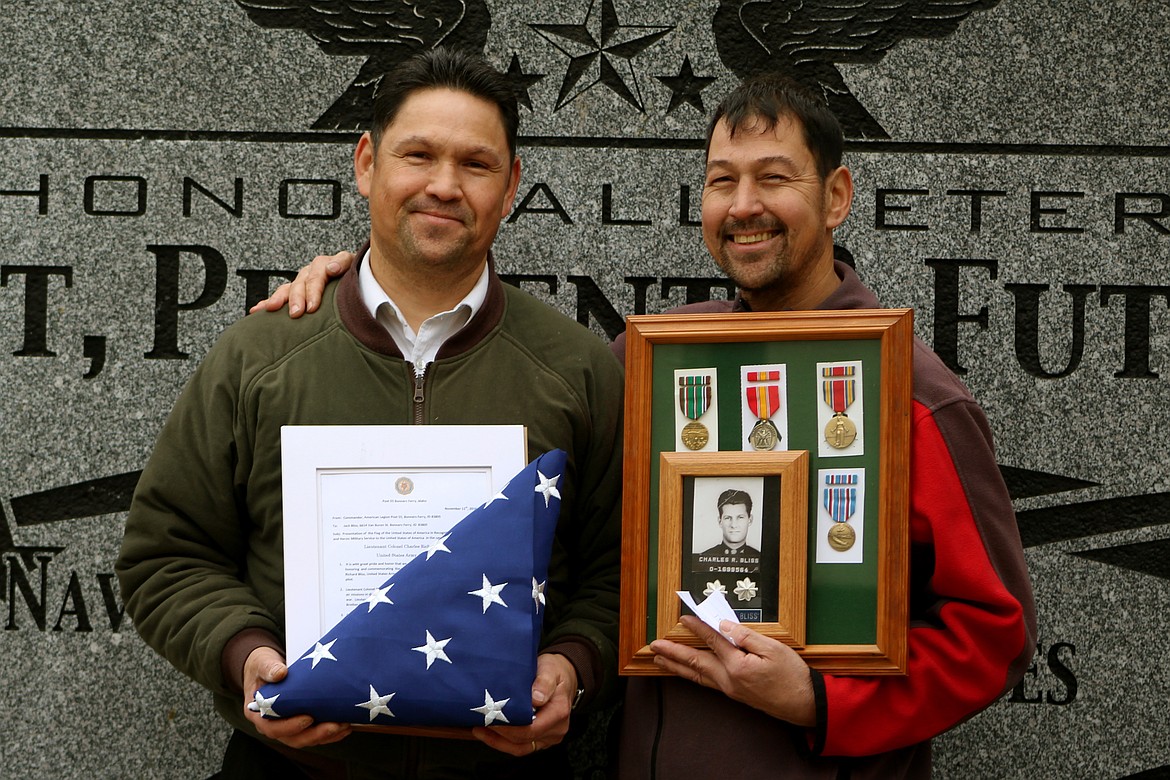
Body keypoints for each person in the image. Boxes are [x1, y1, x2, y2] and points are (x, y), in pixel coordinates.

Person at [258, 73, 1036, 778]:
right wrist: (357, 282)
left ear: (836, 197)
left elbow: (993, 632)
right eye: (721, 181)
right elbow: (515, 381)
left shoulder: (914, 395)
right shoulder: (650, 363)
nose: (743, 206)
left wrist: (821, 702)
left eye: (775, 178)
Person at [117, 48, 624, 779]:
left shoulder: (577, 368)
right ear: (366, 164)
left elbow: (619, 572)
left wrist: (573, 667)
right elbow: (164, 556)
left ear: (511, 185)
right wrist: (247, 656)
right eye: (418, 155)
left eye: (476, 165)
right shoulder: (259, 356)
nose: (444, 186)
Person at [699, 488, 761, 560]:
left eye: (740, 517)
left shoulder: (760, 559)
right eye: (728, 518)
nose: (733, 525)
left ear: (750, 520)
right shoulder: (704, 558)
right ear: (720, 521)